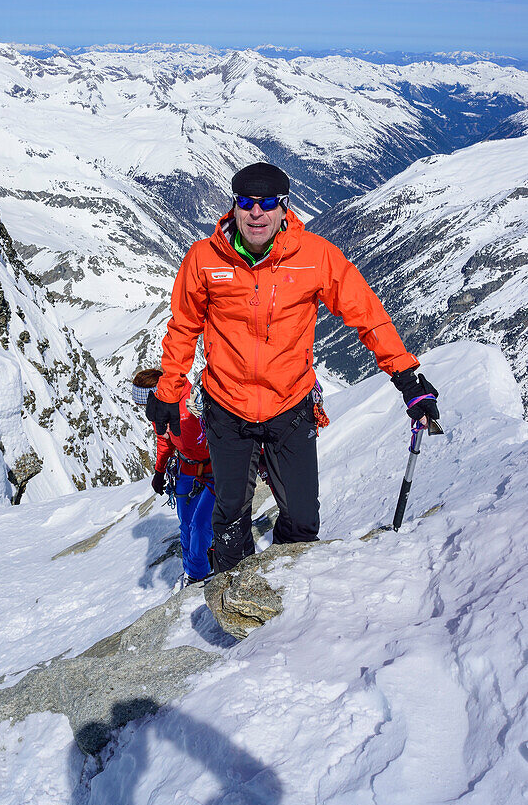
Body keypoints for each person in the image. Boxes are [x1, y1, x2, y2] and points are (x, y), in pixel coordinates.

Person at [145, 161, 439, 573]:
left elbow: (366, 315)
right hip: (227, 407)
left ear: (285, 208)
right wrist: (168, 391)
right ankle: (236, 601)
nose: (256, 213)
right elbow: (184, 327)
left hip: (290, 404)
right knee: (230, 518)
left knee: (302, 518)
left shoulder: (316, 257)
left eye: (268, 203)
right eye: (247, 202)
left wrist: (406, 377)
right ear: (234, 205)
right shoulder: (204, 257)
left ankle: (288, 597)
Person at [133, 368, 214, 586]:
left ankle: (199, 574)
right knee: (186, 524)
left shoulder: (193, 400)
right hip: (186, 469)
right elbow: (164, 440)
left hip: (214, 469)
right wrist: (159, 471)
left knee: (199, 525)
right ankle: (193, 571)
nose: (144, 409)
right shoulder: (159, 408)